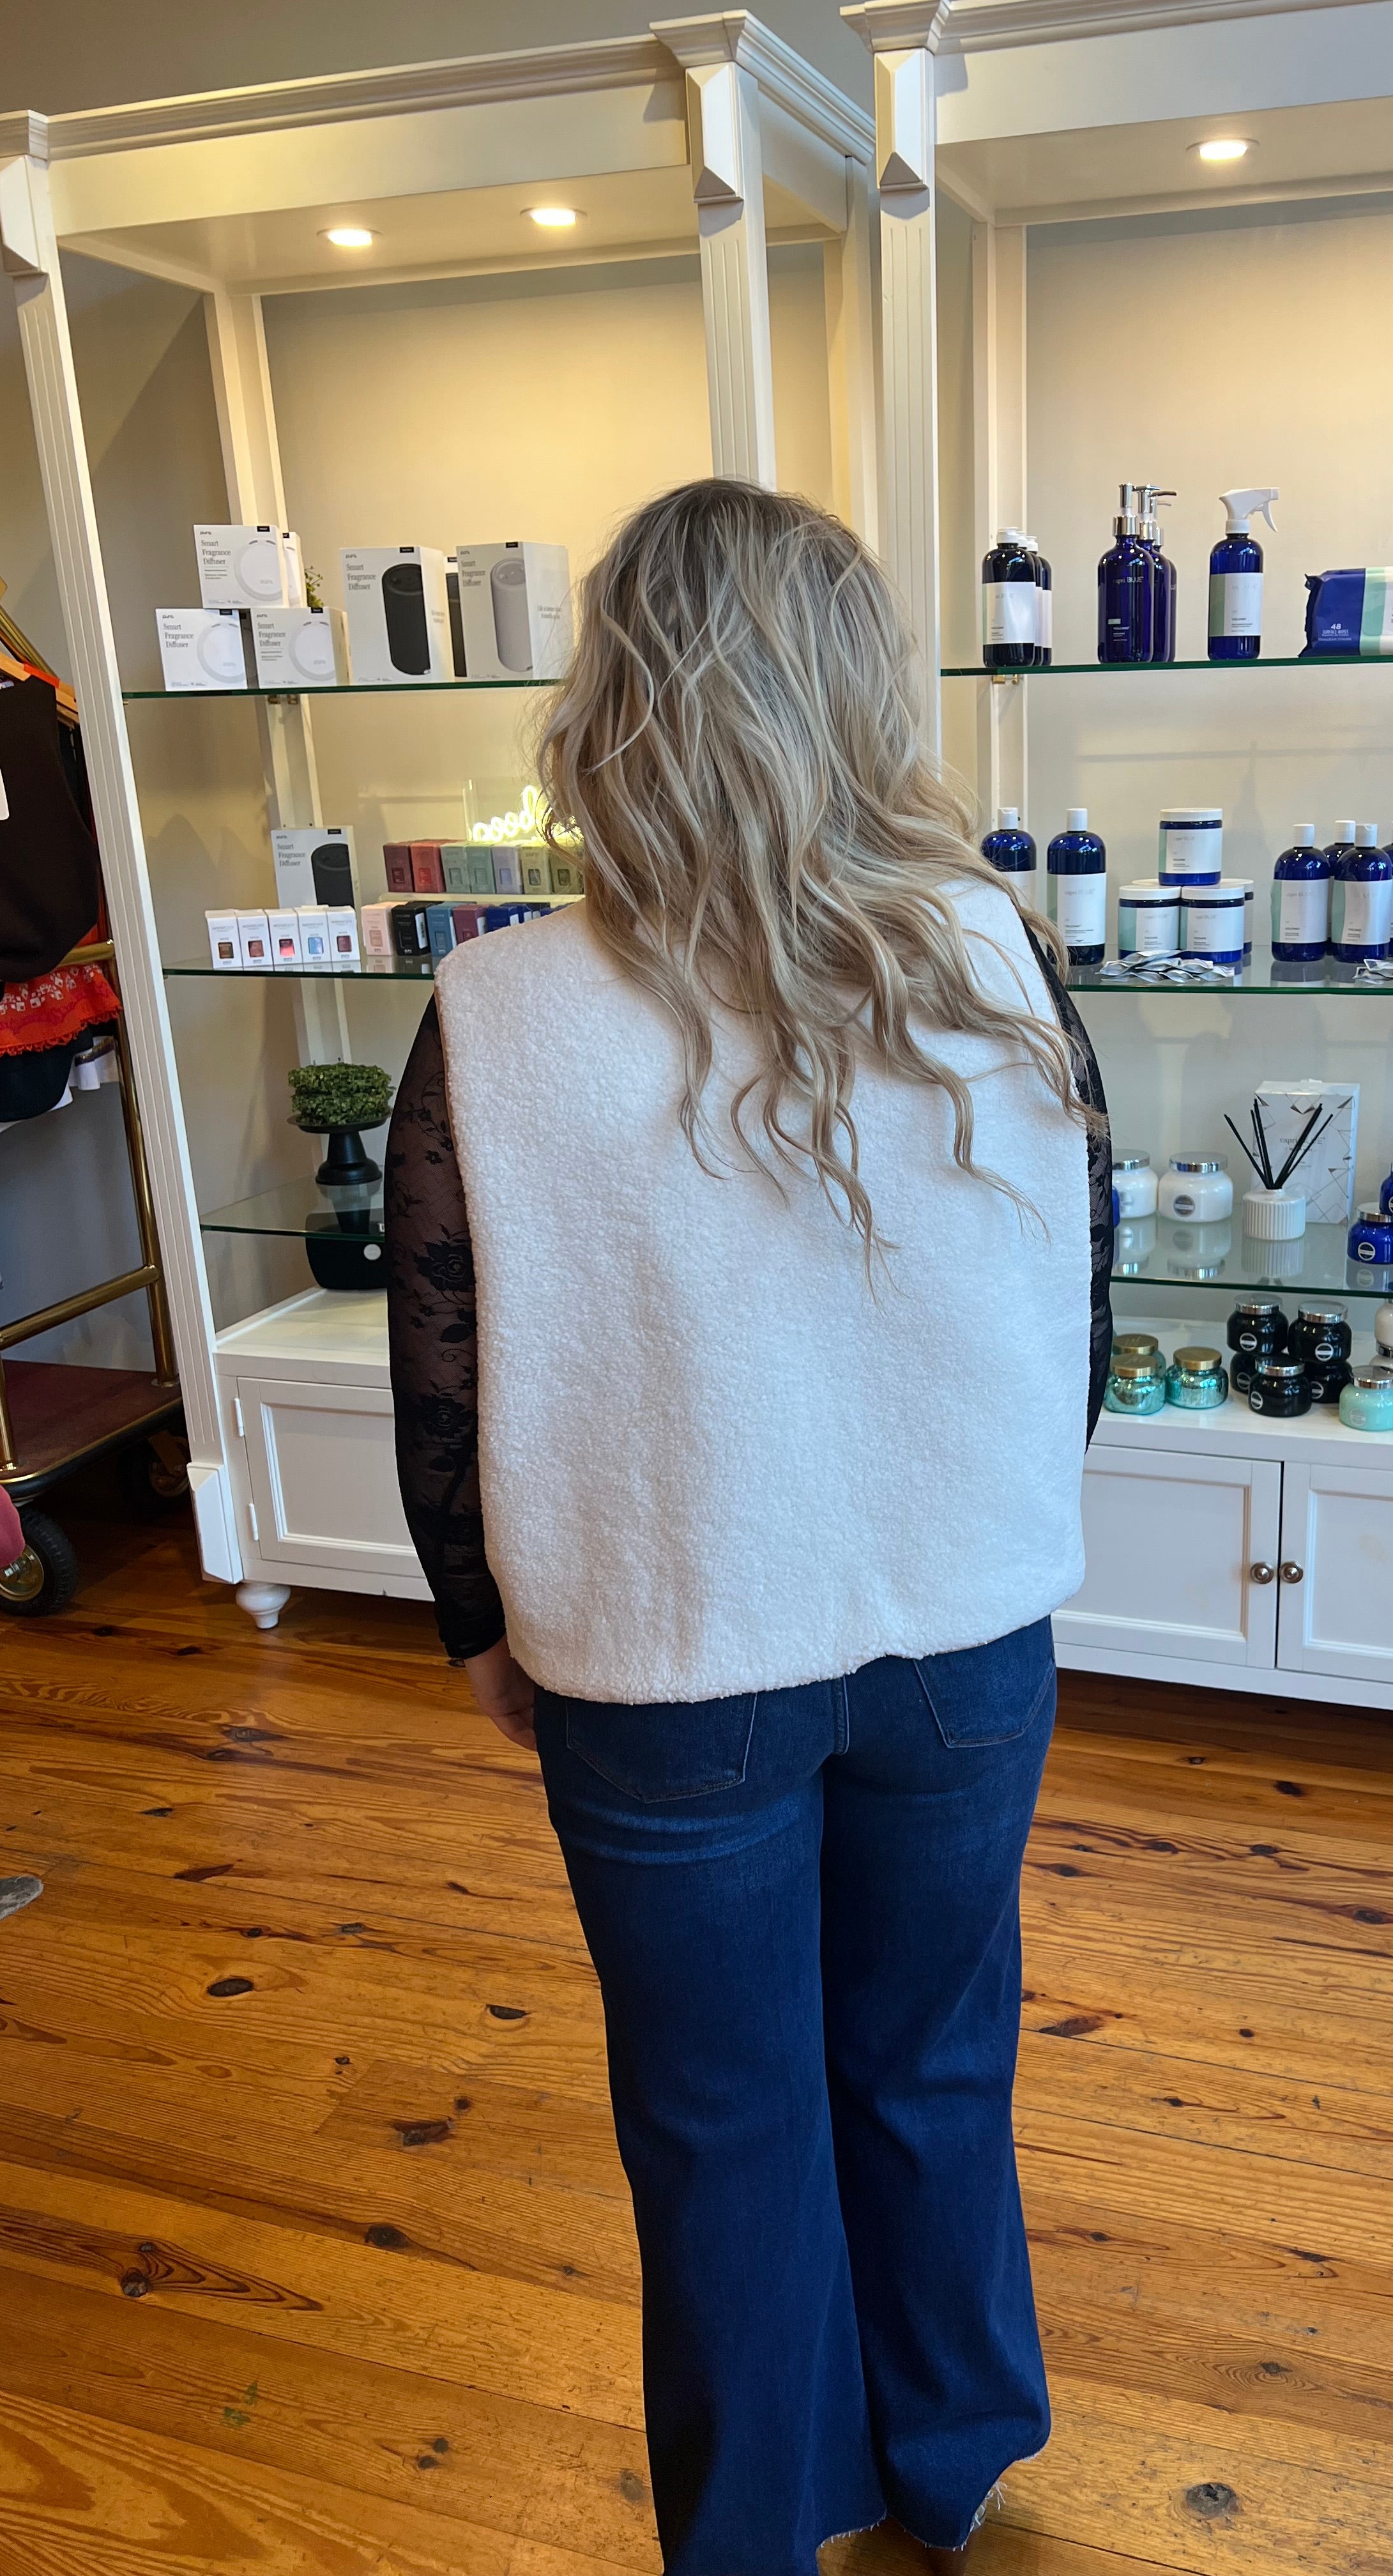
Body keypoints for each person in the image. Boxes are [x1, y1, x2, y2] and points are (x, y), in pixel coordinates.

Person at [386, 479, 1111, 2576]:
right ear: (861, 694)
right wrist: (998, 1526)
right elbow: (1084, 1290)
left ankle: (762, 2520)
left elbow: (443, 1350)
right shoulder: (996, 950)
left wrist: (478, 1619)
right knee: (932, 2057)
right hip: (965, 1636)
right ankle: (952, 2456)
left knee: (720, 2118)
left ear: (612, 699)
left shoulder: (500, 1006)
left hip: (663, 1654)